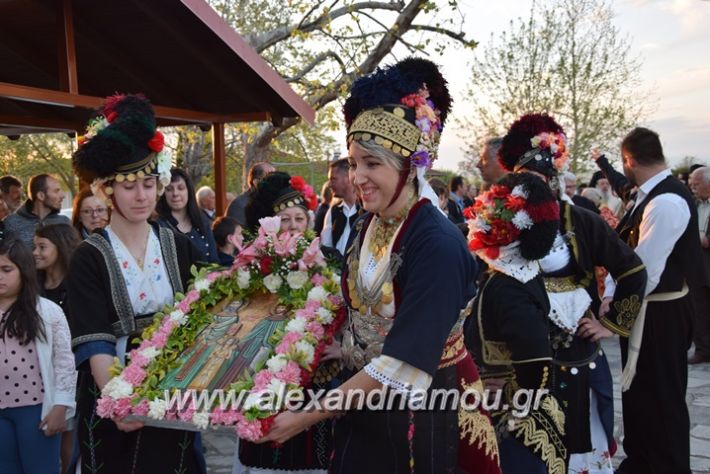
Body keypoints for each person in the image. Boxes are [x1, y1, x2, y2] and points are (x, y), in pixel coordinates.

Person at [255, 57, 501, 474]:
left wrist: (306, 416)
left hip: (423, 414)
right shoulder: (370, 222)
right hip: (364, 405)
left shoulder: (437, 243)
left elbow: (403, 362)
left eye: (372, 163)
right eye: (353, 163)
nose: (358, 177)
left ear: (410, 165)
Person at [497, 113, 647, 474]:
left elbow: (633, 271)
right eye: (522, 182)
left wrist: (611, 325)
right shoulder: (501, 224)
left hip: (573, 355)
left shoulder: (581, 220)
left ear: (552, 182)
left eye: (538, 181)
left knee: (575, 446)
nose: (529, 190)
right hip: (518, 358)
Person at [66, 94, 206, 474]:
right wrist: (118, 401)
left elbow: (204, 309)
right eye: (129, 187)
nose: (141, 195)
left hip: (172, 388)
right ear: (106, 190)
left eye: (148, 183)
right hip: (113, 391)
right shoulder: (89, 256)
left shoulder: (176, 242)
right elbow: (95, 338)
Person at [592, 127, 704, 474]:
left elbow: (644, 270)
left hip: (663, 312)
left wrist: (612, 321)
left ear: (629, 160)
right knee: (640, 394)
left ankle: (668, 466)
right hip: (646, 308)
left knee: (663, 397)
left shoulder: (667, 200)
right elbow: (624, 254)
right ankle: (642, 461)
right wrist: (610, 294)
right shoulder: (649, 194)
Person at [468, 172, 567, 473]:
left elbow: (536, 365)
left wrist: (508, 406)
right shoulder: (513, 271)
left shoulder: (510, 285)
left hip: (513, 425)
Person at [235, 171, 330, 474]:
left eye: (299, 219)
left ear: (309, 221)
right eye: (284, 220)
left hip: (317, 376)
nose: (293, 226)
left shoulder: (331, 258)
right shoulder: (257, 264)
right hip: (267, 370)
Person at [0, 237, 77, 474]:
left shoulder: (46, 311)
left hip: (36, 410)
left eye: (6, 269)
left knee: (41, 468)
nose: (0, 276)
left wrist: (61, 406)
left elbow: (64, 361)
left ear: (24, 271)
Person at [33, 223, 81, 471]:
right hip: (38, 374)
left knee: (67, 446)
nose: (35, 253)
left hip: (68, 372)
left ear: (60, 248)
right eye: (34, 246)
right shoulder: (31, 285)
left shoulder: (77, 285)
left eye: (42, 247)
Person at [157, 168, 219, 264]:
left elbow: (214, 262)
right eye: (169, 189)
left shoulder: (203, 223)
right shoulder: (158, 227)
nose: (175, 193)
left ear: (188, 191)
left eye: (180, 188)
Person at [3, 174, 69, 246]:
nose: (63, 195)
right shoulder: (11, 223)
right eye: (56, 191)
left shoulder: (65, 222)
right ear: (41, 196)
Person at [688, 166, 710, 364]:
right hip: (698, 265)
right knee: (699, 309)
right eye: (691, 184)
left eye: (696, 184)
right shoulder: (693, 204)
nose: (692, 188)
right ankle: (703, 349)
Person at [321, 158, 362, 257]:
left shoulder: (367, 210)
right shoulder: (333, 211)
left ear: (348, 177)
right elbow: (326, 246)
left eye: (333, 179)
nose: (329, 185)